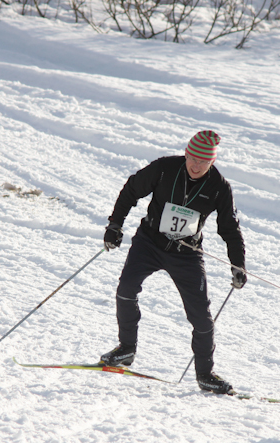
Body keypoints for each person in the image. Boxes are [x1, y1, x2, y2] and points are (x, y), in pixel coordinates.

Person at [101, 130, 246, 394]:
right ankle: (126, 349)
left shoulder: (219, 187)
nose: (196, 166)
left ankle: (205, 374)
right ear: (186, 154)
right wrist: (115, 225)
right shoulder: (165, 168)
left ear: (212, 162)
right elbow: (131, 190)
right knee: (126, 289)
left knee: (201, 316)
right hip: (149, 242)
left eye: (203, 161)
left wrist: (238, 264)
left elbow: (230, 228)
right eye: (193, 158)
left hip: (186, 253)